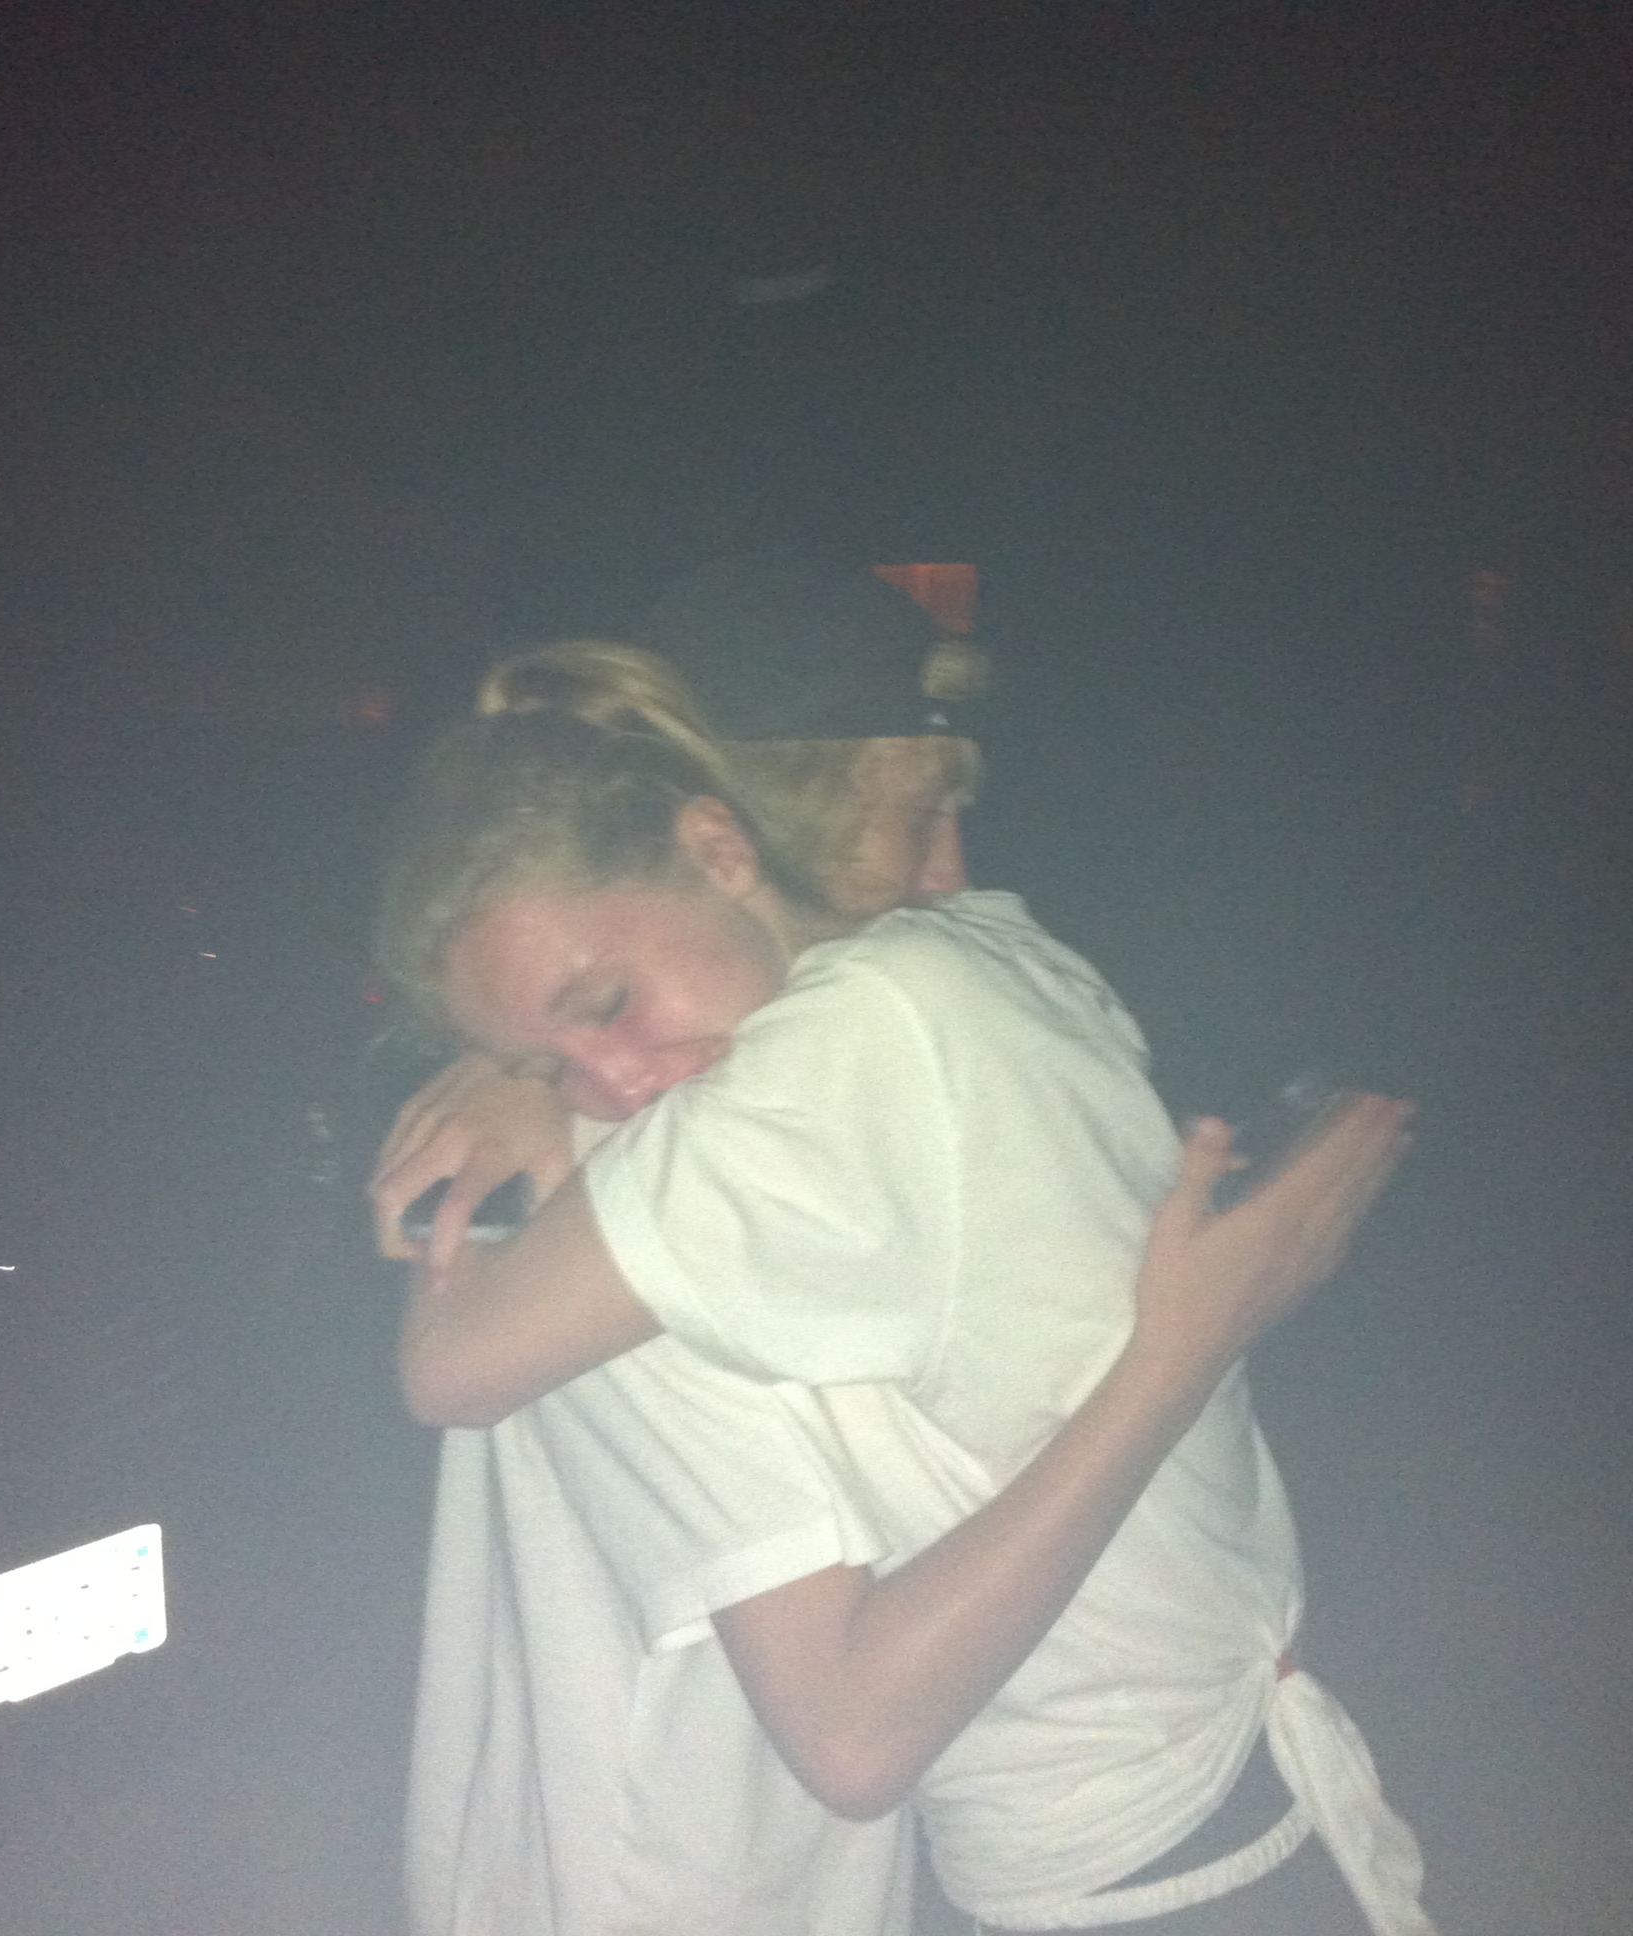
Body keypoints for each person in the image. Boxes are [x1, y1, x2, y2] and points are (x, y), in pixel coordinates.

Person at [375, 585, 1435, 1932]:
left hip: (1151, 1846)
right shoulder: (952, 975)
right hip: (1197, 1812)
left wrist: (525, 1080)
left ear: (725, 844)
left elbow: (446, 1365)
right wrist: (1188, 1345)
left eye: (609, 1006)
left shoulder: (855, 1038)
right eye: (917, 812)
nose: (616, 1084)